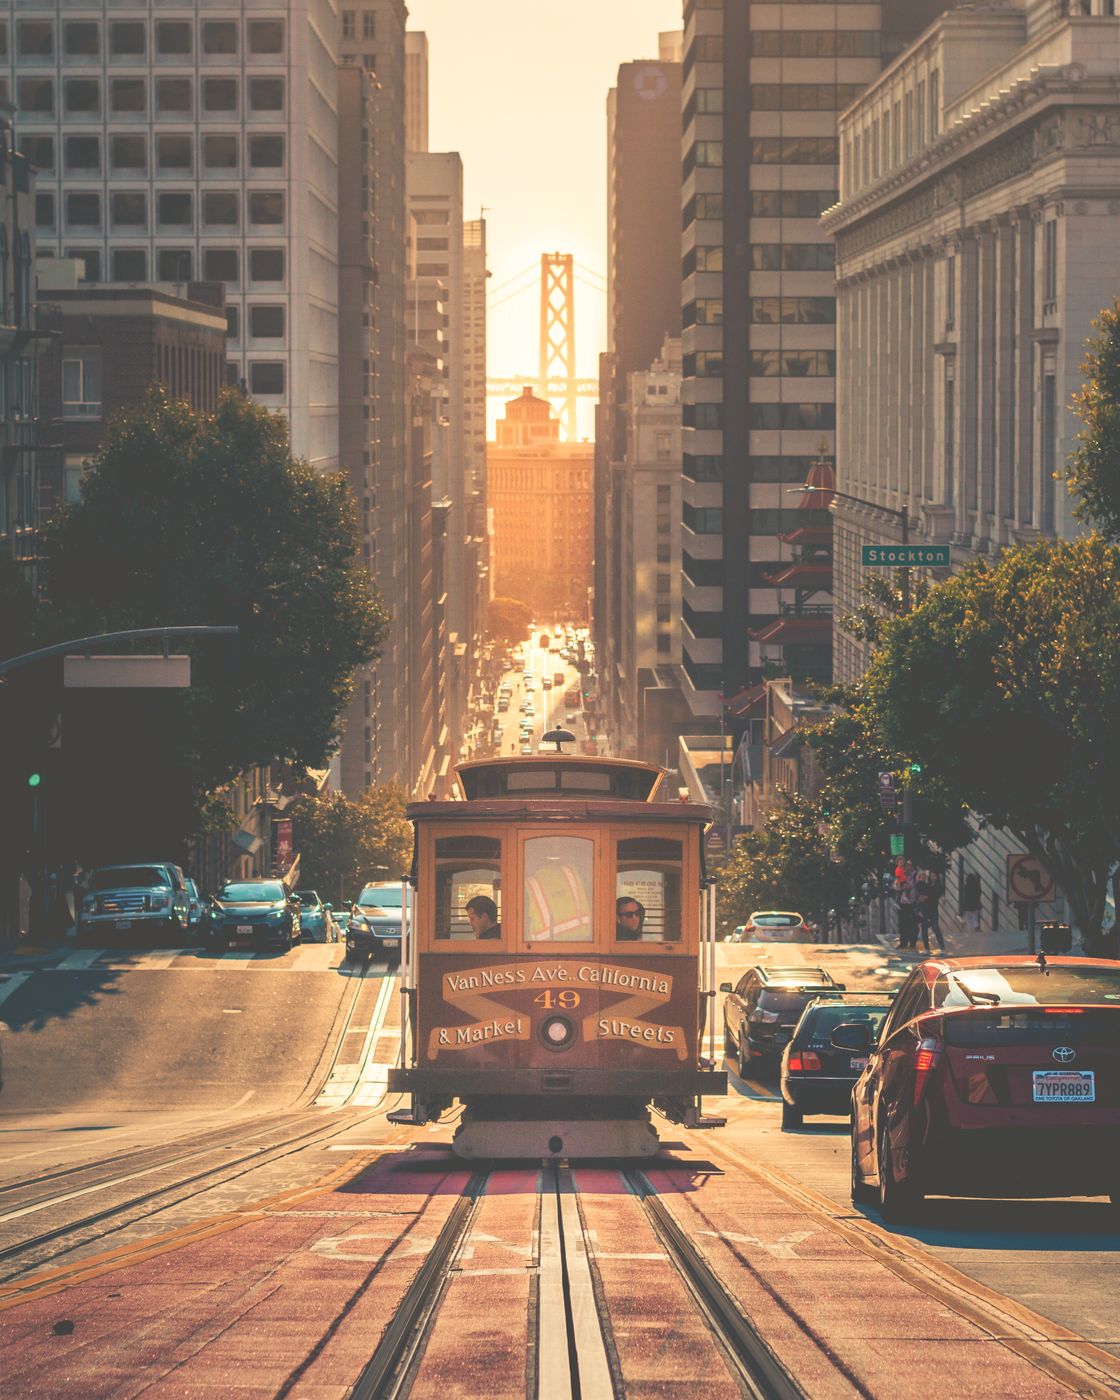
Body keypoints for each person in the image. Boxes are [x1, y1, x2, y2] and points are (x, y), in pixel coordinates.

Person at [916, 870, 946, 953]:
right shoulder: (927, 885)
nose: (933, 878)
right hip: (925, 910)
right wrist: (920, 897)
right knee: (924, 929)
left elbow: (936, 895)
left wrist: (927, 897)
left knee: (935, 928)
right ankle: (927, 948)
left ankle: (942, 947)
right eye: (931, 876)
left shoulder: (938, 886)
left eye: (934, 876)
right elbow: (919, 890)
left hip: (933, 910)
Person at [962, 871, 982, 936]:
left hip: (968, 905)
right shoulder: (977, 886)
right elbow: (979, 894)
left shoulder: (966, 887)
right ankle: (976, 925)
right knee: (975, 917)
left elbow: (966, 896)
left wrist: (964, 905)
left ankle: (970, 931)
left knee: (968, 918)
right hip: (976, 905)